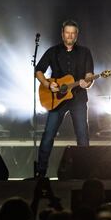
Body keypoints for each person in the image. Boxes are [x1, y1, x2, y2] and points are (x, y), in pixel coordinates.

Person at [34, 20, 94, 177]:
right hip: (56, 100)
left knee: (83, 136)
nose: (70, 36)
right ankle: (41, 172)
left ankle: (85, 173)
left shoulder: (85, 52)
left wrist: (86, 83)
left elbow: (89, 75)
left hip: (78, 99)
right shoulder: (52, 51)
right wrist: (47, 84)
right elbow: (38, 70)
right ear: (62, 34)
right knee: (48, 135)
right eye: (67, 32)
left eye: (73, 33)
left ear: (77, 35)